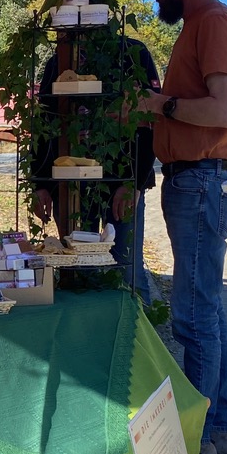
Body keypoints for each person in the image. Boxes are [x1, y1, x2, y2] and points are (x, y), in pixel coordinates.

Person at [129, 0, 227, 454]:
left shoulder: (214, 24)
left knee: (194, 313)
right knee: (209, 308)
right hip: (201, 179)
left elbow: (225, 110)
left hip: (202, 178)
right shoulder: (202, 27)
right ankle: (221, 432)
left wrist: (160, 104)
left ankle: (199, 440)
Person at [31, 34, 161, 303]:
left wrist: (134, 182)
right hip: (71, 187)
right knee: (79, 268)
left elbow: (148, 122)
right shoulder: (59, 63)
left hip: (121, 182)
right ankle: (87, 338)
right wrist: (40, 183)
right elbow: (44, 125)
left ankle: (139, 336)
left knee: (127, 270)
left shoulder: (131, 53)